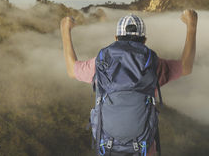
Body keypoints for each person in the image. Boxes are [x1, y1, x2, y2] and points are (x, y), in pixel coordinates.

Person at [60, 9, 198, 155]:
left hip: (108, 148)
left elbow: (71, 70)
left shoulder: (100, 63)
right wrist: (191, 26)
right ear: (144, 40)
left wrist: (65, 30)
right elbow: (186, 67)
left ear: (116, 38)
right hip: (142, 149)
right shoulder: (154, 64)